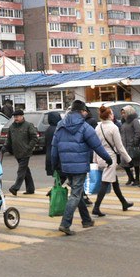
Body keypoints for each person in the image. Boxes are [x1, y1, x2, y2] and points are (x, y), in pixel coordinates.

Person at [50, 99, 111, 235]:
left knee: (77, 193)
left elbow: (54, 148)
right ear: (81, 111)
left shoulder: (60, 125)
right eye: (85, 111)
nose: (85, 113)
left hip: (66, 166)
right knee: (76, 194)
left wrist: (54, 165)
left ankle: (86, 220)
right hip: (79, 167)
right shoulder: (84, 127)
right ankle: (65, 224)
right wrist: (108, 159)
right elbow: (97, 146)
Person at [91, 106, 133, 216]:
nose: (113, 115)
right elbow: (120, 147)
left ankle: (124, 203)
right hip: (110, 158)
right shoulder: (113, 127)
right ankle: (96, 207)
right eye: (112, 113)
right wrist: (129, 159)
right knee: (105, 182)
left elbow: (95, 145)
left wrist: (94, 159)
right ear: (109, 115)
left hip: (100, 157)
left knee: (114, 181)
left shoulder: (98, 127)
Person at [4, 108, 38, 196]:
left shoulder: (28, 125)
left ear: (22, 116)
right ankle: (30, 189)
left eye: (17, 116)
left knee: (21, 171)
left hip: (25, 152)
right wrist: (5, 147)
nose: (16, 118)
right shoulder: (12, 127)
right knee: (25, 171)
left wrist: (28, 148)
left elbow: (34, 138)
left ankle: (15, 188)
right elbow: (9, 139)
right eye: (14, 117)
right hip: (17, 152)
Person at [119, 107, 140, 186]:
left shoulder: (134, 121)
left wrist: (135, 142)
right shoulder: (123, 122)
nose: (123, 114)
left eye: (124, 112)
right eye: (122, 113)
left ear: (129, 112)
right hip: (124, 146)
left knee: (135, 163)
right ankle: (131, 177)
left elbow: (138, 132)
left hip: (132, 146)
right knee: (124, 163)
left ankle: (137, 179)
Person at [43, 110, 62, 194]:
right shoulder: (58, 129)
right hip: (58, 156)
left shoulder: (48, 129)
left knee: (59, 177)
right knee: (64, 176)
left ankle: (53, 191)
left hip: (49, 155)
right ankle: (53, 192)